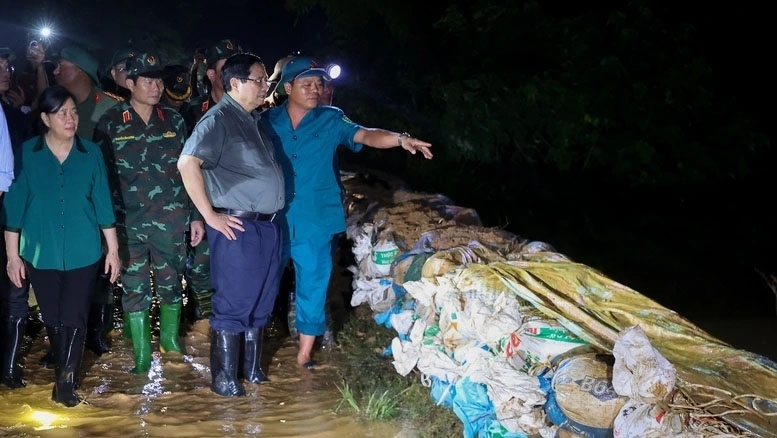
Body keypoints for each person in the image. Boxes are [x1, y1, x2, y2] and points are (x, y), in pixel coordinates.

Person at [259, 56, 432, 370]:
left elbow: (366, 134)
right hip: (275, 218)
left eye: (319, 84)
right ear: (288, 88)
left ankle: (303, 357)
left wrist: (399, 139)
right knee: (263, 283)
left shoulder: (331, 118)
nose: (316, 89)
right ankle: (255, 349)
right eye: (307, 84)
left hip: (316, 219)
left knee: (312, 284)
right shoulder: (267, 121)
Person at [3, 85, 120, 406]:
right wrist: (12, 256)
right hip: (41, 250)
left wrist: (113, 250)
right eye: (61, 113)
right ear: (45, 118)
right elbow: (15, 207)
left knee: (75, 315)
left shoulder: (91, 152)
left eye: (73, 112)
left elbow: (102, 202)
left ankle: (65, 383)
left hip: (85, 249)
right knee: (53, 316)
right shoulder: (27, 152)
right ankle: (63, 371)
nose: (70, 119)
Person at [178, 52, 284, 397]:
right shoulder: (219, 118)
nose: (265, 86)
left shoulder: (252, 120)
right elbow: (187, 163)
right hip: (237, 226)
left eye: (266, 79)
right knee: (234, 305)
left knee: (260, 301)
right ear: (235, 83)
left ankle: (251, 371)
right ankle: (224, 382)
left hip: (266, 227)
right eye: (259, 80)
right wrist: (209, 216)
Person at [94, 53, 200, 375]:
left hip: (170, 219)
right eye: (148, 81)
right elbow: (102, 177)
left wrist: (196, 214)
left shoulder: (175, 120)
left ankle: (169, 341)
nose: (156, 87)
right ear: (130, 84)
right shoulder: (110, 123)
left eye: (158, 80)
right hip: (127, 223)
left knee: (172, 281)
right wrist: (105, 225)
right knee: (134, 286)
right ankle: (141, 355)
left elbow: (191, 171)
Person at [51, 45, 123, 358]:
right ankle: (61, 339)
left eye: (61, 66)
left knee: (102, 268)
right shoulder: (53, 107)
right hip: (61, 202)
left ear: (80, 70)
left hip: (102, 201)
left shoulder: (110, 107)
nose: (55, 71)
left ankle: (96, 333)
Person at [178, 39, 241, 323]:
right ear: (212, 75)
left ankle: (234, 322)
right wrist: (196, 214)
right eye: (225, 68)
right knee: (201, 268)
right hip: (204, 206)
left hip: (241, 207)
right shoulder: (193, 112)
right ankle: (205, 323)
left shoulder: (252, 112)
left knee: (239, 268)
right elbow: (183, 166)